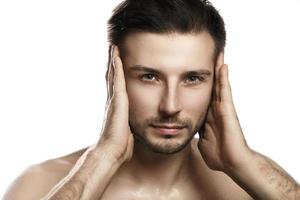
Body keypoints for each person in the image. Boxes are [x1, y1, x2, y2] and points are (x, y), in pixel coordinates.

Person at [3, 0, 299, 199]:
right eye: (149, 77)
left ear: (217, 75)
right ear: (113, 73)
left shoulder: (249, 186)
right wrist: (105, 158)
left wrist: (244, 162)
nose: (170, 106)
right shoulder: (40, 185)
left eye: (192, 78)